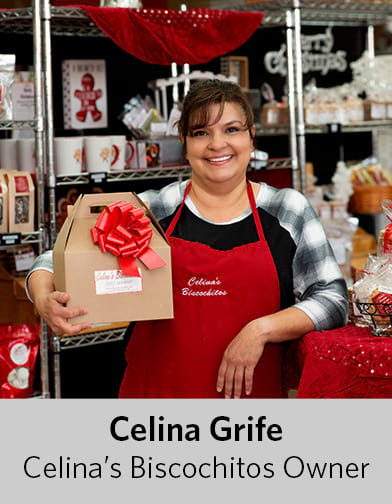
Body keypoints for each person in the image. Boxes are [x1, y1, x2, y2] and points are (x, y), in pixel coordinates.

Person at [26, 79, 348, 399]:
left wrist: (260, 330)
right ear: (184, 142)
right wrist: (43, 300)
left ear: (252, 137)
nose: (217, 144)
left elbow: (333, 299)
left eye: (232, 130)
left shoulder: (287, 209)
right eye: (201, 132)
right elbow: (53, 259)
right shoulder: (152, 210)